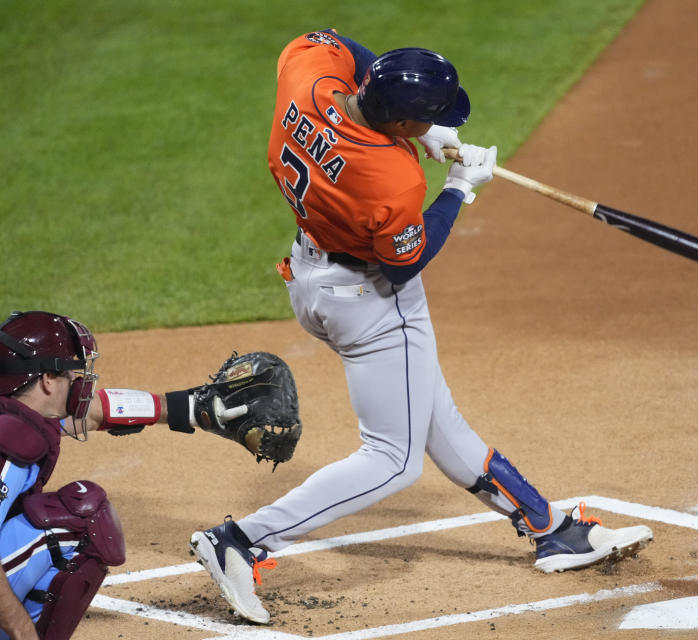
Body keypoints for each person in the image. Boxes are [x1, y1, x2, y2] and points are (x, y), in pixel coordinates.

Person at [189, 29, 653, 625]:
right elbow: (404, 259)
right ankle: (242, 541)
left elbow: (332, 42)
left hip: (311, 275)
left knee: (433, 417)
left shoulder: (309, 81)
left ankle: (550, 528)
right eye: (428, 119)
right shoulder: (390, 178)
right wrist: (458, 189)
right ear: (401, 124)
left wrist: (423, 128)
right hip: (372, 303)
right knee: (393, 458)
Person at [0, 311, 245, 639]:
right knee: (82, 519)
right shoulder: (11, 446)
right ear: (46, 379)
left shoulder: (17, 411)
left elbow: (92, 412)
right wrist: (20, 628)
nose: (78, 381)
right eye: (71, 371)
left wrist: (192, 408)